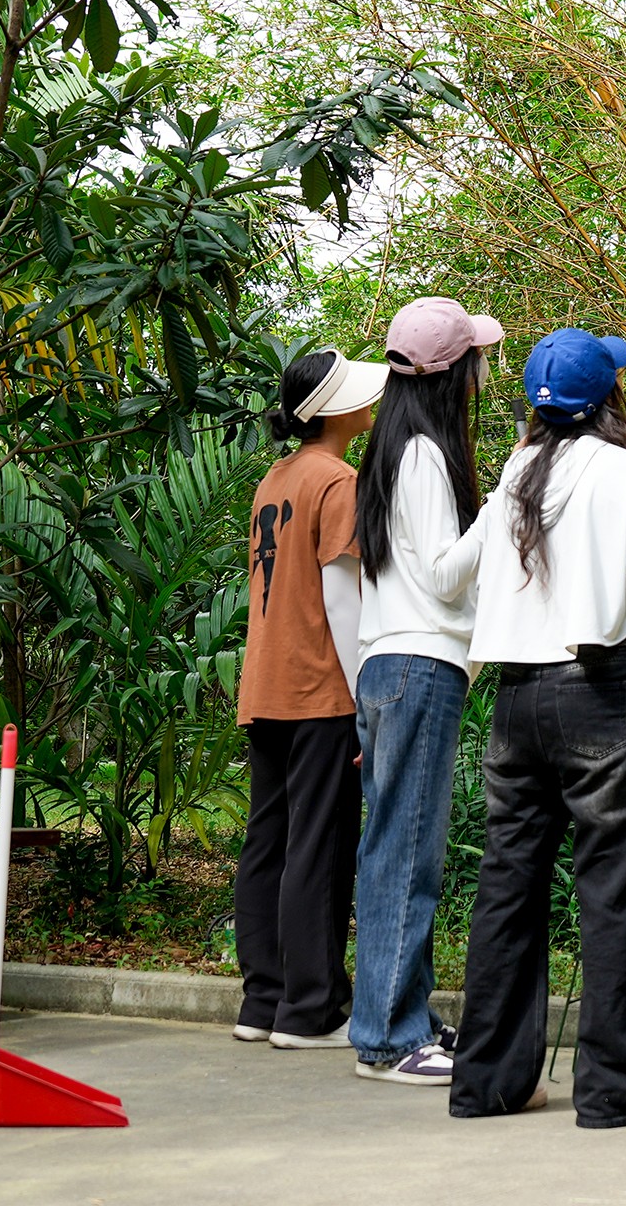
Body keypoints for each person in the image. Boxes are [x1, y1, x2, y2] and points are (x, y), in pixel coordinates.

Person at [449, 329, 626, 1127]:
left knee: (507, 887)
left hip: (515, 701)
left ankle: (490, 1083)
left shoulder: (514, 474)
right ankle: (614, 1090)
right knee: (609, 894)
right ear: (611, 395)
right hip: (599, 692)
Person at [348, 296, 504, 1085]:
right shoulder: (423, 456)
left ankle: (400, 1014)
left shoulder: (391, 450)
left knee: (393, 849)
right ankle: (388, 1037)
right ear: (450, 373)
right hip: (419, 667)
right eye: (476, 358)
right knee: (408, 854)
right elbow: (444, 576)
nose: (484, 371)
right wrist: (501, 506)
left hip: (388, 666)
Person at [233, 346, 389, 1048]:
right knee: (318, 846)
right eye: (357, 392)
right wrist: (365, 703)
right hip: (320, 689)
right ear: (334, 411)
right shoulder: (338, 480)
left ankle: (262, 1002)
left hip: (265, 684)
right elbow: (341, 599)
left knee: (268, 841)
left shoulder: (276, 477)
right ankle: (310, 1009)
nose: (370, 401)